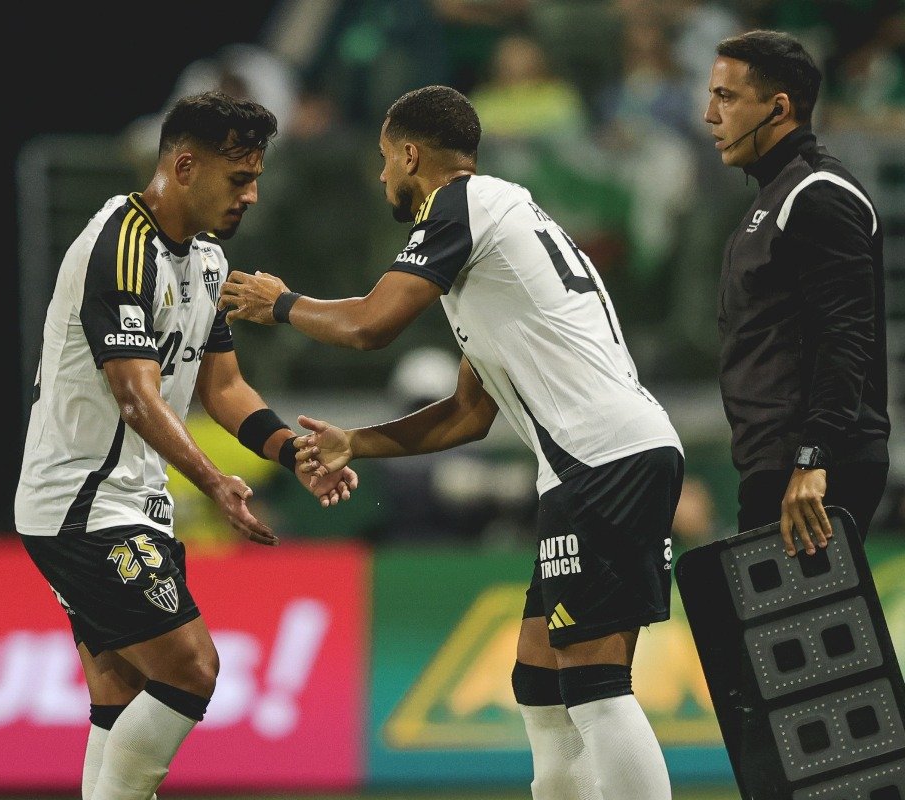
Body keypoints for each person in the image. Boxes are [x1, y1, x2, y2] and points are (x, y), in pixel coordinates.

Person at [220, 85, 684, 800]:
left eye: (384, 161)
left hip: (604, 459)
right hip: (593, 463)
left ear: (412, 154)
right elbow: (470, 414)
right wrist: (357, 443)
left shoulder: (462, 206)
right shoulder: (498, 231)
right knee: (539, 678)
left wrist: (280, 304)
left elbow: (370, 323)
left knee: (594, 685)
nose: (382, 177)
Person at [13, 91, 357, 800]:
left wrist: (293, 452)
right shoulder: (120, 244)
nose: (253, 195)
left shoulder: (204, 261)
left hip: (130, 502)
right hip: (81, 505)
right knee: (193, 669)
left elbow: (223, 387)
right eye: (240, 179)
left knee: (120, 691)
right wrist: (213, 480)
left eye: (257, 177)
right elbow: (135, 394)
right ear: (186, 165)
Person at [704, 29, 890, 555]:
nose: (710, 115)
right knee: (786, 638)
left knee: (807, 637)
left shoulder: (818, 196)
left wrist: (814, 458)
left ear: (778, 107)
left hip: (811, 472)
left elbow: (846, 336)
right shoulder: (776, 197)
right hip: (781, 464)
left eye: (726, 96)